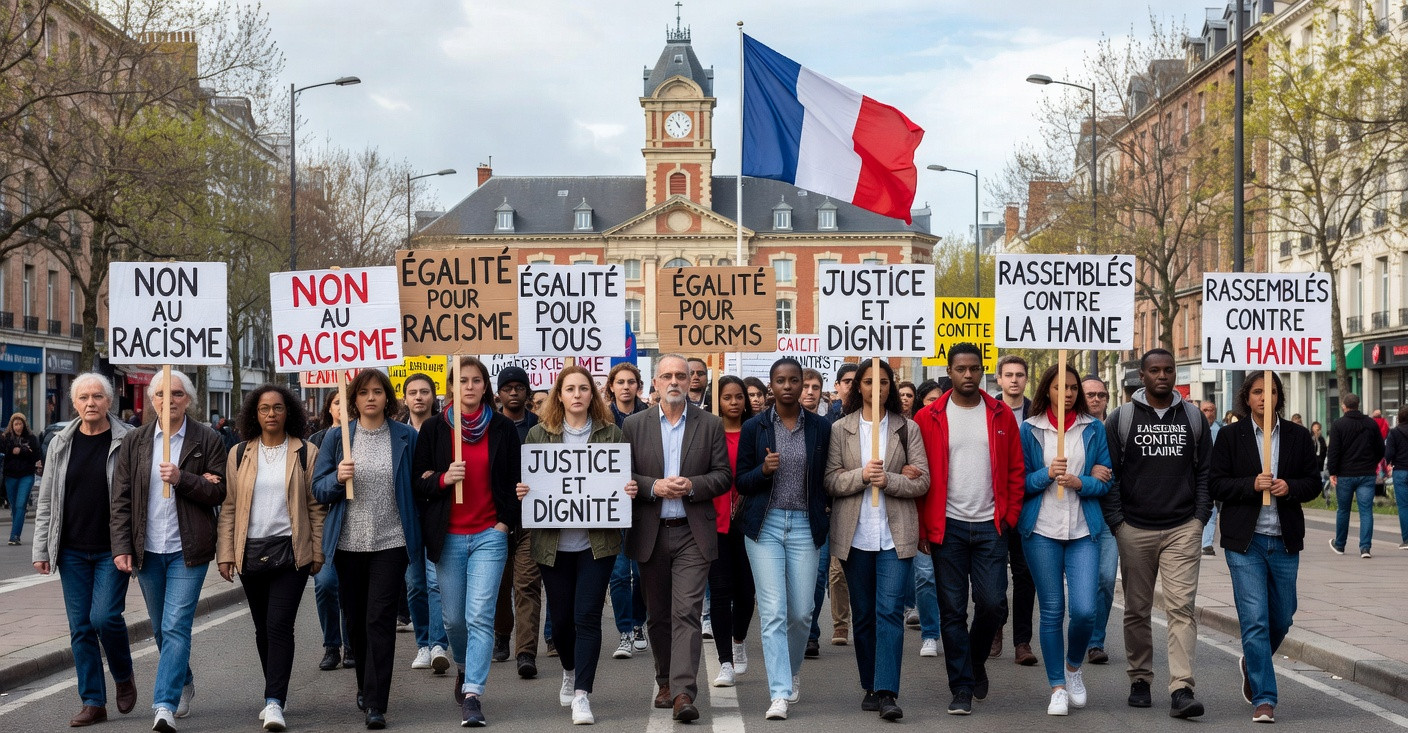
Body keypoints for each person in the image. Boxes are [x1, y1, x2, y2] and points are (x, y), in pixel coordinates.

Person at [516, 365, 638, 725]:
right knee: (564, 622)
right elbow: (531, 482)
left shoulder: (612, 434)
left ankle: (582, 693)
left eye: (584, 388)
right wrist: (525, 491)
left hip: (596, 545)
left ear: (593, 394)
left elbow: (618, 480)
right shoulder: (538, 435)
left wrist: (627, 489)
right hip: (553, 547)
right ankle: (569, 670)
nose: (577, 395)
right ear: (559, 395)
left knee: (587, 617)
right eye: (570, 389)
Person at [110, 370, 227, 732]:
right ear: (151, 400)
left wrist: (183, 479)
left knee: (176, 626)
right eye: (161, 394)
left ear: (188, 400)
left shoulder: (207, 439)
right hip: (148, 549)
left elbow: (219, 492)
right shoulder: (136, 441)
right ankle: (183, 678)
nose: (169, 400)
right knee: (162, 628)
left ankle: (164, 705)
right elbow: (120, 499)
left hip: (187, 549)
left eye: (176, 394)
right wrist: (121, 545)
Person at [913, 343, 1024, 716]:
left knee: (993, 604)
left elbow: (1015, 470)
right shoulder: (928, 416)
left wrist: (1008, 517)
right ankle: (961, 685)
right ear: (950, 370)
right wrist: (924, 527)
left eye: (974, 369)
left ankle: (974, 662)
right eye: (961, 369)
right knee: (952, 611)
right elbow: (921, 473)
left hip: (992, 525)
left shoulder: (1000, 414)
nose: (968, 375)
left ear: (983, 370)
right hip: (948, 527)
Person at [411, 356, 519, 728]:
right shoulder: (435, 430)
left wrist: (505, 524)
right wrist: (443, 479)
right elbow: (418, 481)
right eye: (463, 381)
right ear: (452, 387)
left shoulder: (503, 428)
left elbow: (513, 482)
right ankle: (462, 666)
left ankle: (473, 693)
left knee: (479, 616)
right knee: (455, 619)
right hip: (449, 537)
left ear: (485, 386)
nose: (470, 387)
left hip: (490, 535)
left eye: (477, 381)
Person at [623, 354, 731, 723]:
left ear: (691, 382)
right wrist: (653, 486)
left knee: (686, 611)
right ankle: (664, 680)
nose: (674, 381)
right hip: (650, 532)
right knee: (658, 615)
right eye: (666, 375)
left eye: (681, 376)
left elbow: (722, 476)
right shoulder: (634, 425)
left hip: (691, 532)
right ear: (654, 383)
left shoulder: (710, 424)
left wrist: (691, 485)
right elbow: (624, 476)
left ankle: (684, 692)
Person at [312, 369, 422, 729]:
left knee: (379, 620)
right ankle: (364, 684)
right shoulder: (337, 437)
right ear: (353, 400)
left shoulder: (404, 436)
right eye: (363, 393)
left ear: (387, 397)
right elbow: (318, 489)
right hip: (347, 544)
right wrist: (337, 478)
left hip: (391, 540)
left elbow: (419, 485)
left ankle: (377, 702)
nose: (371, 398)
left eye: (377, 392)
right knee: (356, 622)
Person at [1103, 348, 1210, 718]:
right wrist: (1117, 522)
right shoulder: (1121, 418)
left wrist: (1199, 518)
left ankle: (1181, 687)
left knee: (1182, 608)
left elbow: (1204, 473)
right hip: (1134, 528)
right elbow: (1110, 474)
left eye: (1168, 370)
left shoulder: (1193, 417)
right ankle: (1140, 678)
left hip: (1183, 527)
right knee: (1137, 609)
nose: (1162, 376)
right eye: (1154, 370)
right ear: (1142, 376)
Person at [1206, 371, 1317, 724]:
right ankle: (1265, 699)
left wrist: (1291, 488)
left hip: (1284, 540)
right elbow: (1216, 485)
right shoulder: (1229, 436)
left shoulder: (1298, 437)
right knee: (1254, 620)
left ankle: (1252, 661)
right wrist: (1251, 484)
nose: (1264, 398)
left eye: (1270, 391)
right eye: (1257, 392)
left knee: (1282, 616)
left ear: (1279, 397)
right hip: (1245, 542)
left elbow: (1312, 483)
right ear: (1247, 397)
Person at [216, 384, 326, 731]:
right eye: (264, 409)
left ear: (289, 411)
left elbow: (316, 507)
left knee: (279, 625)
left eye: (278, 408)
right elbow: (230, 507)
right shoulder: (238, 455)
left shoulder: (306, 453)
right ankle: (275, 689)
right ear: (254, 414)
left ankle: (274, 700)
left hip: (291, 551)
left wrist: (318, 551)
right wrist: (225, 553)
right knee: (263, 629)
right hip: (251, 551)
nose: (271, 414)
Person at [825, 358, 929, 721]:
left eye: (883, 382)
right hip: (854, 535)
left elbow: (922, 480)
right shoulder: (840, 429)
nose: (877, 388)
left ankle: (887, 690)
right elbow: (831, 480)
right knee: (865, 615)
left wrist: (893, 480)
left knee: (889, 612)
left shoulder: (907, 429)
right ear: (859, 387)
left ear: (891, 386)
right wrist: (861, 475)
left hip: (895, 535)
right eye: (869, 382)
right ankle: (869, 683)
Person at [31, 374, 136, 727]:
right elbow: (46, 500)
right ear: (74, 404)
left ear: (109, 401)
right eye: (83, 397)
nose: (91, 403)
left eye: (97, 396)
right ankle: (93, 701)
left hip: (113, 549)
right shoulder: (60, 442)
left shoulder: (128, 440)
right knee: (80, 627)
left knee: (104, 618)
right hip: (72, 550)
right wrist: (42, 547)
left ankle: (123, 675)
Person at [736, 358, 832, 721]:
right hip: (765, 526)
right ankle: (778, 692)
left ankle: (791, 673)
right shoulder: (754, 427)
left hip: (806, 526)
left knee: (802, 611)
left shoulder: (821, 427)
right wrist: (762, 470)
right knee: (773, 611)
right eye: (781, 380)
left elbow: (827, 476)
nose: (789, 386)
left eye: (795, 380)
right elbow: (741, 481)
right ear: (771, 386)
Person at [1019, 364, 1113, 716]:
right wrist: (1046, 474)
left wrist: (1081, 482)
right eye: (1062, 387)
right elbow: (1022, 482)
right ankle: (1057, 685)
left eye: (1074, 387)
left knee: (1086, 610)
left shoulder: (1094, 429)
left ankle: (1074, 668)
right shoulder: (1031, 429)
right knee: (1053, 610)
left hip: (1083, 530)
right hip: (1041, 530)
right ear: (1048, 390)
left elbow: (1105, 480)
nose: (1069, 393)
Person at [491, 366, 545, 673]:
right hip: (498, 518)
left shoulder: (540, 427)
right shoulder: (491, 427)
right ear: (498, 393)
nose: (513, 392)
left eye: (519, 387)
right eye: (507, 387)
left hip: (531, 519)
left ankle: (526, 652)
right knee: (499, 582)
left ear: (527, 392)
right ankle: (502, 634)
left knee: (527, 585)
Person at [400, 373, 452, 675]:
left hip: (436, 515)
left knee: (435, 583)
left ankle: (437, 644)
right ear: (405, 398)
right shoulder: (397, 433)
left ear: (433, 396)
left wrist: (433, 477)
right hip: (407, 518)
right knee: (415, 583)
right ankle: (422, 640)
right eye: (413, 392)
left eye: (424, 391)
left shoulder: (445, 430)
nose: (418, 397)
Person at [706, 376, 756, 687]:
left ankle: (739, 640)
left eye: (739, 397)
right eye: (727, 397)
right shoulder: (707, 433)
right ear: (718, 400)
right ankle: (725, 660)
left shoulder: (754, 431)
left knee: (747, 593)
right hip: (716, 523)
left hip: (750, 523)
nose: (734, 402)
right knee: (720, 593)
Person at [991, 354, 1037, 666]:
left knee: (1025, 575)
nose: (1014, 380)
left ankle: (1022, 641)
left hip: (1030, 504)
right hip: (994, 504)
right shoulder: (987, 410)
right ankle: (995, 626)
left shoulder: (1041, 413)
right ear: (999, 379)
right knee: (994, 574)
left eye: (1020, 375)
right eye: (1008, 374)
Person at [606, 363, 650, 659]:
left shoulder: (651, 416)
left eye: (630, 382)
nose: (625, 387)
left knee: (642, 572)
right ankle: (624, 631)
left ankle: (638, 624)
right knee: (619, 574)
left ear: (638, 386)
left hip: (643, 504)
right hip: (608, 503)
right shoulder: (600, 417)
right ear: (611, 386)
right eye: (619, 382)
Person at [310, 392, 354, 672]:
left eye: (349, 402)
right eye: (338, 402)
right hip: (325, 525)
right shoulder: (316, 442)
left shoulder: (362, 436)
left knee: (350, 588)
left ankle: (351, 645)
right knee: (325, 584)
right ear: (329, 408)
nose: (343, 408)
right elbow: (314, 486)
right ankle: (331, 645)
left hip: (354, 524)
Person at [1082, 376, 1118, 666]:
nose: (1096, 399)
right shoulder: (1070, 429)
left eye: (1101, 394)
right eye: (1090, 394)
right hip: (1076, 511)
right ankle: (1077, 632)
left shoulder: (1117, 428)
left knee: (1105, 579)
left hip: (1109, 515)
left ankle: (1096, 641)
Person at [1326, 393, 1384, 559]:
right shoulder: (1371, 424)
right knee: (1366, 511)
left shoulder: (1338, 425)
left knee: (1343, 510)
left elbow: (1334, 451)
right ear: (1358, 405)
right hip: (1366, 474)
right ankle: (1365, 548)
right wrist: (1372, 462)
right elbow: (1381, 449)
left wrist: (1333, 471)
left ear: (1344, 406)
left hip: (1345, 474)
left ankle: (1340, 544)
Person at [3, 412, 41, 545]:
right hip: (10, 476)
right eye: (15, 424)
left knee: (20, 505)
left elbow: (36, 455)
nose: (18, 427)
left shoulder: (31, 438)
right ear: (11, 425)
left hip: (26, 475)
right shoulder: (6, 438)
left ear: (24, 425)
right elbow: (5, 453)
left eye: (20, 424)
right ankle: (16, 528)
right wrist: (14, 450)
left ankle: (14, 536)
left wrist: (22, 451)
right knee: (14, 506)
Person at [1200, 401, 1224, 557]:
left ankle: (1207, 543)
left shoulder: (1221, 431)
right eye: (1206, 410)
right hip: (1196, 477)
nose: (1210, 413)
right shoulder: (1193, 428)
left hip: (1213, 476)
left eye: (1212, 410)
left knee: (1212, 509)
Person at [1388, 408, 1408, 550]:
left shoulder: (1394, 433)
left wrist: (1389, 462)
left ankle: (1406, 539)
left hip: (1400, 470)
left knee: (1403, 506)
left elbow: (1388, 453)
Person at [1310, 421, 1329, 495]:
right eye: (1316, 429)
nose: (1318, 431)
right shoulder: (1310, 438)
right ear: (1312, 429)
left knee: (1322, 477)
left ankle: (1322, 492)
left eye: (1319, 429)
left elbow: (1324, 450)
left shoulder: (1321, 439)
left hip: (1320, 461)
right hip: (1313, 461)